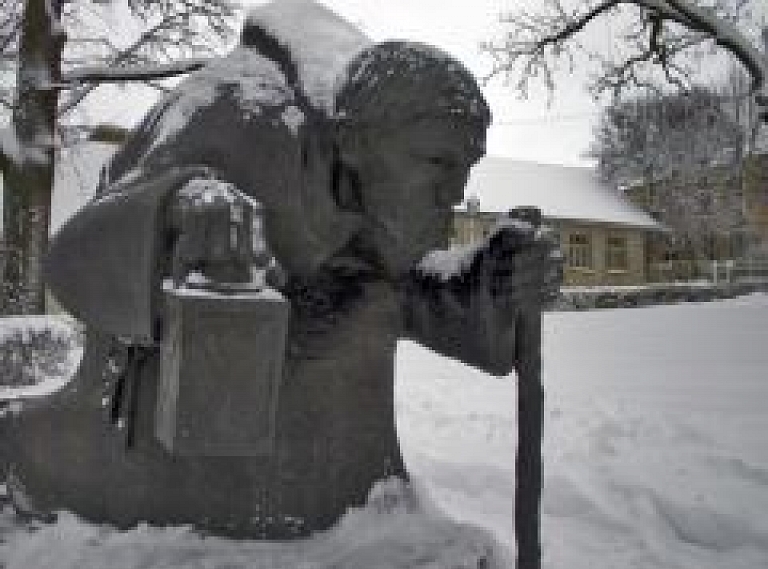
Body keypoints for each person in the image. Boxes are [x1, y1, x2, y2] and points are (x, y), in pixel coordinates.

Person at [5, 14, 560, 538]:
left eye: (466, 167)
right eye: (438, 163)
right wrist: (177, 211)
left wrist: (495, 283)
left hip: (332, 494)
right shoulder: (232, 116)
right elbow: (73, 260)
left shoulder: (367, 183)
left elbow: (404, 292)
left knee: (361, 301)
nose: (456, 192)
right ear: (355, 142)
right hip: (146, 454)